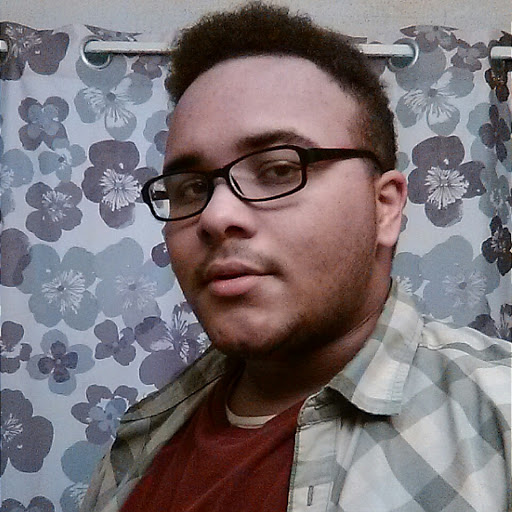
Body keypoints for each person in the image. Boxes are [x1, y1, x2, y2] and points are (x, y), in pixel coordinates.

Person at [81, 3, 511, 511]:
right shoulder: (137, 444)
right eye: (191, 187)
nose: (215, 216)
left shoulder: (500, 416)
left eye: (280, 170)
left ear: (385, 208)